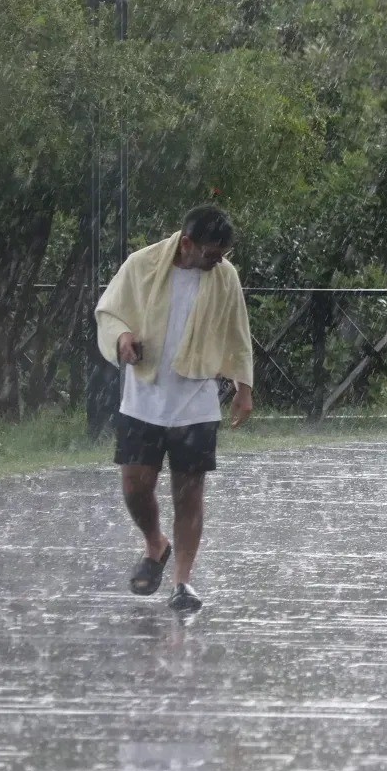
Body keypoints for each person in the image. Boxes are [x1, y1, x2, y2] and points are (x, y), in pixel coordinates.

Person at [95, 204, 254, 612]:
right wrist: (123, 338)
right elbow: (110, 312)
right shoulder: (142, 264)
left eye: (223, 255)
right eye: (211, 254)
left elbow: (238, 333)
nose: (218, 262)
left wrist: (243, 387)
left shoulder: (225, 279)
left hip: (195, 404)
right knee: (135, 486)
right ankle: (155, 544)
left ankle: (182, 582)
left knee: (189, 494)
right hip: (143, 397)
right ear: (187, 244)